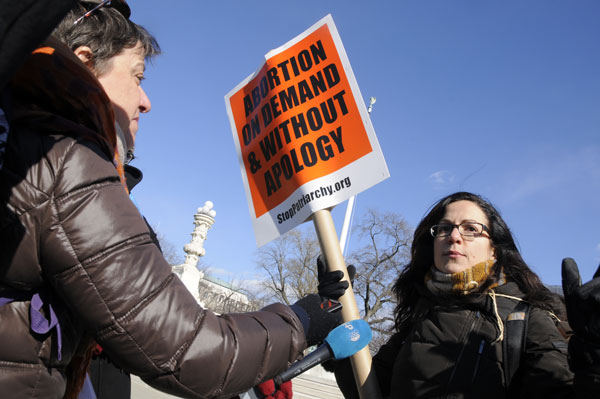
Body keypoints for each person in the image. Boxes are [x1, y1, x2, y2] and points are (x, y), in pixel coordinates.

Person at [0, 2, 341, 398]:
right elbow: (186, 349)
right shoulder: (66, 157)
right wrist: (301, 320)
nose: (146, 101)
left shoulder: (19, 135)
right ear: (85, 63)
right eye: (137, 76)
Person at [324, 191, 600, 398]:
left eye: (471, 229)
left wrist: (593, 363)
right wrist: (334, 324)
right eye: (444, 228)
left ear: (494, 248)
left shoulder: (525, 318)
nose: (454, 236)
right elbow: (368, 389)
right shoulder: (420, 316)